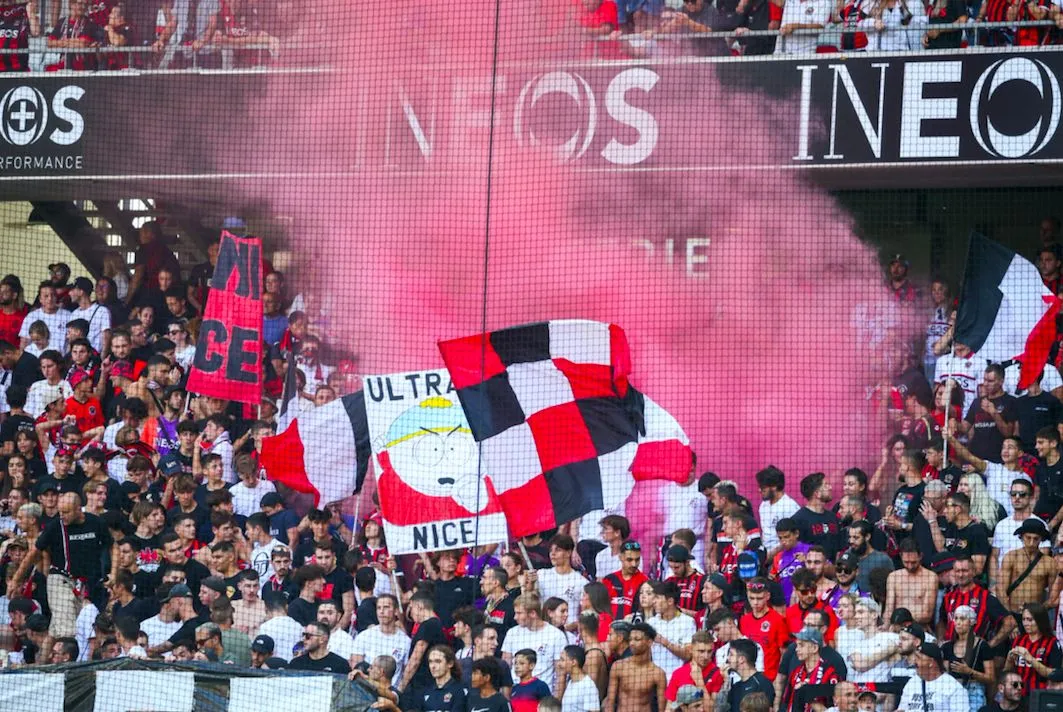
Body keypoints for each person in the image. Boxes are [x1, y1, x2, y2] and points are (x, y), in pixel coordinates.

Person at [502, 594, 568, 690]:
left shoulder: (556, 635)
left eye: (519, 613)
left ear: (533, 613)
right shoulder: (512, 633)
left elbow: (561, 674)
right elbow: (505, 668)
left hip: (541, 694)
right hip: (516, 692)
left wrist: (556, 698)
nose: (515, 617)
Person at [603, 622, 667, 712]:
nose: (632, 643)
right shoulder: (618, 666)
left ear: (649, 642)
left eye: (637, 639)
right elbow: (610, 702)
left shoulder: (658, 674)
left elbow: (662, 709)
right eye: (630, 639)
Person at [998, 519, 1057, 614]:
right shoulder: (1011, 556)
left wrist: (1039, 610)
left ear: (1041, 539)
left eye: (1036, 539)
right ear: (1021, 536)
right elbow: (1001, 589)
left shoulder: (1049, 563)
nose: (1031, 543)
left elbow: (1053, 597)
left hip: (1036, 615)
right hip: (1012, 612)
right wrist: (1009, 615)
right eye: (1028, 538)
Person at [941, 604, 995, 709]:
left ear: (971, 622)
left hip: (974, 693)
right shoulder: (947, 647)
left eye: (962, 619)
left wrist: (970, 672)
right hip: (952, 693)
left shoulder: (982, 646)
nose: (958, 622)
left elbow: (991, 678)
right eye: (956, 618)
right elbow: (945, 674)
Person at [778, 628, 843, 712]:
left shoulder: (830, 674)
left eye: (801, 645)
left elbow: (836, 709)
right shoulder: (795, 672)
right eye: (797, 645)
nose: (796, 649)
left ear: (815, 648)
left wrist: (807, 694)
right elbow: (786, 703)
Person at [351, 595, 410, 686]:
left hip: (391, 692)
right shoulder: (364, 636)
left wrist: (397, 692)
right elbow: (356, 668)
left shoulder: (405, 641)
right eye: (379, 608)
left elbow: (406, 672)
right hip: (366, 689)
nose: (381, 611)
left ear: (396, 611)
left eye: (386, 607)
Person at [897, 642, 969, 711]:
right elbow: (902, 709)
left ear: (931, 662)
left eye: (918, 658)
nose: (914, 662)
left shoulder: (953, 687)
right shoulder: (912, 683)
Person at [1006, 601, 1062, 692]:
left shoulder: (1052, 642)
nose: (1025, 623)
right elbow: (1007, 673)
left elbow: (1056, 675)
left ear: (1040, 620)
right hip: (1018, 693)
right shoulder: (1018, 640)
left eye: (1030, 620)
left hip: (1040, 694)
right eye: (1024, 619)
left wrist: (1031, 659)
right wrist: (1009, 660)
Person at [884, 538, 937, 625]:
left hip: (918, 627)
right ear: (901, 556)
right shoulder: (893, 577)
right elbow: (888, 610)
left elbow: (927, 614)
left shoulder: (930, 577)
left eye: (913, 562)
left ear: (920, 556)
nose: (910, 566)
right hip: (895, 627)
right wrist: (886, 625)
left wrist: (900, 620)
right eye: (906, 562)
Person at [791, 472, 841, 560]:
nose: (830, 487)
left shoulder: (833, 517)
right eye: (826, 485)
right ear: (817, 493)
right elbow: (795, 551)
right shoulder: (797, 520)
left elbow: (837, 549)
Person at [756, 466, 799, 554]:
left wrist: (771, 556)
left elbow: (792, 539)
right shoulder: (763, 505)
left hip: (784, 554)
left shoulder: (790, 506)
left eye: (763, 487)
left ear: (774, 487)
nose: (759, 490)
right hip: (765, 554)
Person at [725, 638, 775, 711]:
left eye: (731, 655)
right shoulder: (735, 687)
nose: (728, 658)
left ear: (741, 659)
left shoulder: (762, 683)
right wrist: (725, 682)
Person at [419, 644, 466, 712]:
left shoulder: (459, 690)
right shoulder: (425, 691)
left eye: (438, 661)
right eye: (430, 662)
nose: (433, 666)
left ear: (450, 664)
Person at [556, 645, 600, 712]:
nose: (559, 664)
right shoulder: (571, 682)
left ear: (573, 662)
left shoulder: (588, 686)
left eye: (562, 660)